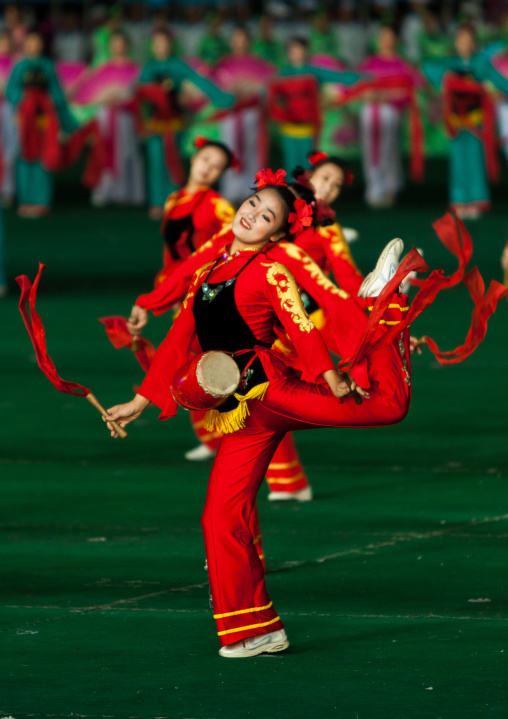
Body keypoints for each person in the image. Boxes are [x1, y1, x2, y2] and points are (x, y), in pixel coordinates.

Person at [105, 171, 424, 657]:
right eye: (252, 204)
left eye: (266, 216)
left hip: (273, 390)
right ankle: (254, 628)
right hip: (244, 410)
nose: (252, 214)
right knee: (220, 515)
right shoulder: (206, 276)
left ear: (276, 234)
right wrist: (140, 401)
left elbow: (300, 326)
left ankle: (383, 299)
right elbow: (176, 343)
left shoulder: (269, 270)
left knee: (389, 405)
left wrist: (330, 374)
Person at [137, 30, 234, 219]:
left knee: (174, 162)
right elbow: (140, 100)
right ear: (152, 46)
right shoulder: (148, 68)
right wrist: (142, 124)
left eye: (164, 43)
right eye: (157, 44)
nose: (161, 47)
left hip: (175, 123)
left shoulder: (179, 65)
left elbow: (200, 82)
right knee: (156, 161)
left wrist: (222, 98)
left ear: (171, 45)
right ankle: (157, 202)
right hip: (154, 124)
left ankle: (175, 200)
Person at [422, 24, 508, 219]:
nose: (465, 43)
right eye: (461, 39)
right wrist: (446, 77)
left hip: (476, 121)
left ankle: (477, 200)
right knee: (458, 161)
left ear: (474, 42)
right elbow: (427, 69)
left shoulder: (481, 64)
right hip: (455, 122)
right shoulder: (449, 64)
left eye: (468, 39)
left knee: (475, 159)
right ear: (456, 42)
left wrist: (488, 87)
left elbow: (501, 83)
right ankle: (459, 200)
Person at [6, 29, 78, 217]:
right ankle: (25, 200)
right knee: (25, 155)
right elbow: (11, 89)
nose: (33, 46)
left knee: (43, 156)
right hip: (25, 118)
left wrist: (51, 103)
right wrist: (24, 100)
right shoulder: (20, 65)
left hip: (45, 119)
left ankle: (41, 200)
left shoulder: (48, 66)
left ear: (42, 45)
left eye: (37, 42)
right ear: (24, 45)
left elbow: (56, 92)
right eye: (29, 42)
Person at [151, 136, 236, 288]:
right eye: (205, 159)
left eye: (216, 166)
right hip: (176, 281)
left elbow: (236, 249)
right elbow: (169, 250)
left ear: (221, 174)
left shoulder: (220, 206)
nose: (208, 168)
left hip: (205, 284)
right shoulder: (173, 199)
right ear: (194, 158)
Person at [270, 37, 361, 173]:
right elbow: (273, 95)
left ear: (306, 51)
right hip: (288, 126)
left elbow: (338, 77)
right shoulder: (283, 73)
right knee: (291, 164)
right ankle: (291, 192)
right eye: (292, 50)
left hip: (308, 126)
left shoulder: (313, 72)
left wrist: (362, 78)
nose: (295, 53)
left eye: (299, 50)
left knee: (308, 162)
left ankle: (307, 192)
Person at [357, 25, 423, 208]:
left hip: (391, 112)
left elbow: (413, 89)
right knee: (372, 149)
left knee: (388, 149)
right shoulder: (369, 63)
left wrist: (386, 95)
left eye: (389, 36)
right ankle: (375, 187)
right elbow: (356, 87)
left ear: (396, 40)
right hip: (371, 112)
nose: (385, 40)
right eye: (382, 36)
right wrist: (369, 94)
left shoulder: (403, 64)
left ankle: (389, 186)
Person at [212, 26, 277, 204]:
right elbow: (215, 88)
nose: (239, 42)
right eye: (236, 38)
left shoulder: (260, 64)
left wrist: (252, 87)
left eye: (243, 38)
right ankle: (230, 190)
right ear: (231, 41)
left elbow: (270, 86)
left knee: (252, 151)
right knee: (229, 150)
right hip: (230, 115)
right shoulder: (223, 64)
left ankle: (252, 189)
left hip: (252, 113)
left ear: (249, 41)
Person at [88, 30, 143, 208]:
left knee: (127, 151)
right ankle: (106, 190)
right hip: (106, 114)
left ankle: (129, 192)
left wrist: (124, 100)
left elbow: (140, 96)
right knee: (105, 150)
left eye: (121, 43)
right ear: (110, 46)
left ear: (127, 45)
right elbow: (91, 92)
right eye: (114, 43)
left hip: (125, 116)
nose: (118, 47)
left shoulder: (135, 69)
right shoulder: (102, 68)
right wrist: (104, 98)